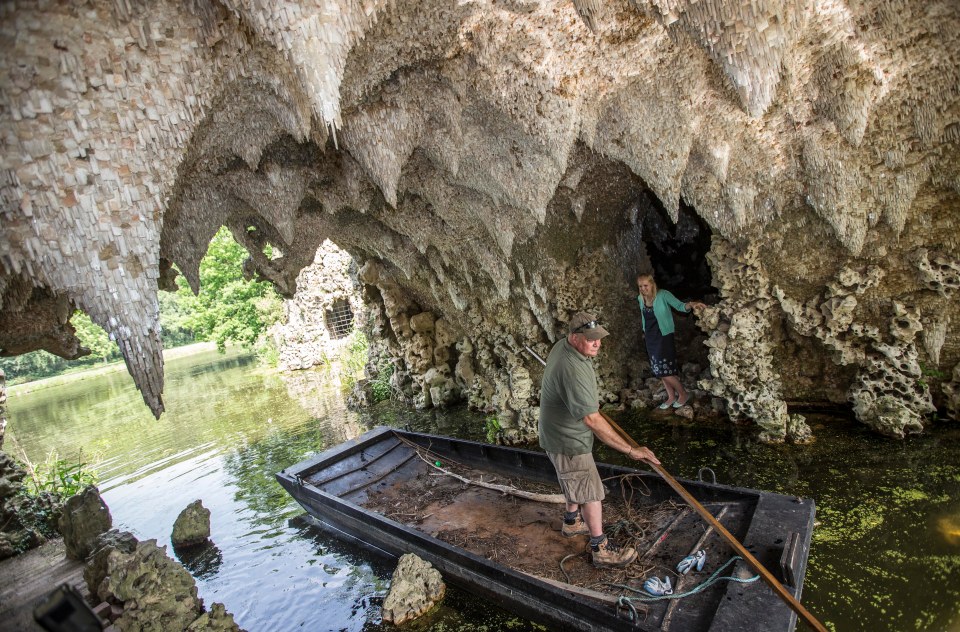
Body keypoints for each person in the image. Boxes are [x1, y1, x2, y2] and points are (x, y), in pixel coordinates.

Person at [538, 311, 661, 568]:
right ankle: (600, 548)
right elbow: (592, 420)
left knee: (574, 479)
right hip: (568, 440)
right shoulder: (572, 369)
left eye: (599, 338)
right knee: (590, 490)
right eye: (591, 339)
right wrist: (631, 450)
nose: (598, 343)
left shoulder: (564, 347)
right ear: (574, 337)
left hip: (555, 433)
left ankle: (572, 522)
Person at [636, 274, 706, 409]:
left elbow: (680, 306)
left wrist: (691, 304)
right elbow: (644, 317)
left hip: (663, 336)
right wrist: (645, 332)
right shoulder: (640, 298)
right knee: (661, 369)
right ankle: (671, 397)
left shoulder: (663, 295)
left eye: (646, 285)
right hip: (651, 338)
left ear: (652, 284)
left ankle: (683, 394)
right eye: (640, 286)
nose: (643, 289)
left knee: (664, 370)